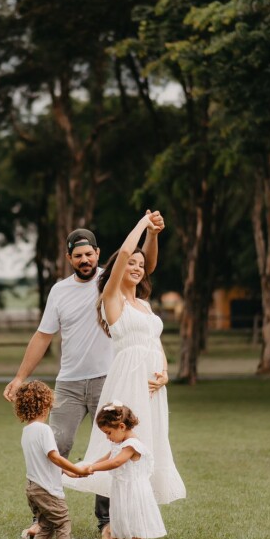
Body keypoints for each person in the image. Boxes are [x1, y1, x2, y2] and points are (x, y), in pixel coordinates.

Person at [3, 212, 164, 539]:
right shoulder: (59, 292)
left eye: (89, 253)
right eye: (78, 255)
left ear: (98, 253)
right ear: (69, 259)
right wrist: (20, 377)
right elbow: (43, 336)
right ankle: (42, 518)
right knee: (56, 443)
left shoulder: (112, 281)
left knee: (111, 445)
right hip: (70, 384)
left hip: (111, 379)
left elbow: (143, 265)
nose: (85, 259)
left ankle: (107, 521)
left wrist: (151, 233)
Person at [63, 212, 186, 505]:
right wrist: (144, 224)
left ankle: (139, 514)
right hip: (128, 380)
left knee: (149, 444)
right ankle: (120, 520)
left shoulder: (143, 304)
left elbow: (155, 343)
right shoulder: (111, 298)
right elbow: (127, 252)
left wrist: (165, 372)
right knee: (129, 443)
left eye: (141, 266)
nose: (137, 267)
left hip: (154, 386)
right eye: (131, 263)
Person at [14, 380, 92, 539]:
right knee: (63, 522)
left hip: (33, 488)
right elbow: (54, 456)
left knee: (46, 524)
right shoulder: (45, 430)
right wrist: (78, 469)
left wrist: (66, 471)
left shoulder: (27, 431)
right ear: (47, 404)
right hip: (47, 489)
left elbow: (44, 461)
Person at [84, 401, 166, 539]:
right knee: (119, 524)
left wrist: (93, 467)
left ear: (121, 426)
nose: (108, 437)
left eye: (108, 433)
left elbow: (116, 462)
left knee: (133, 526)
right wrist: (88, 468)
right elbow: (107, 458)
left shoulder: (132, 445)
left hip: (133, 491)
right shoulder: (118, 443)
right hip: (121, 489)